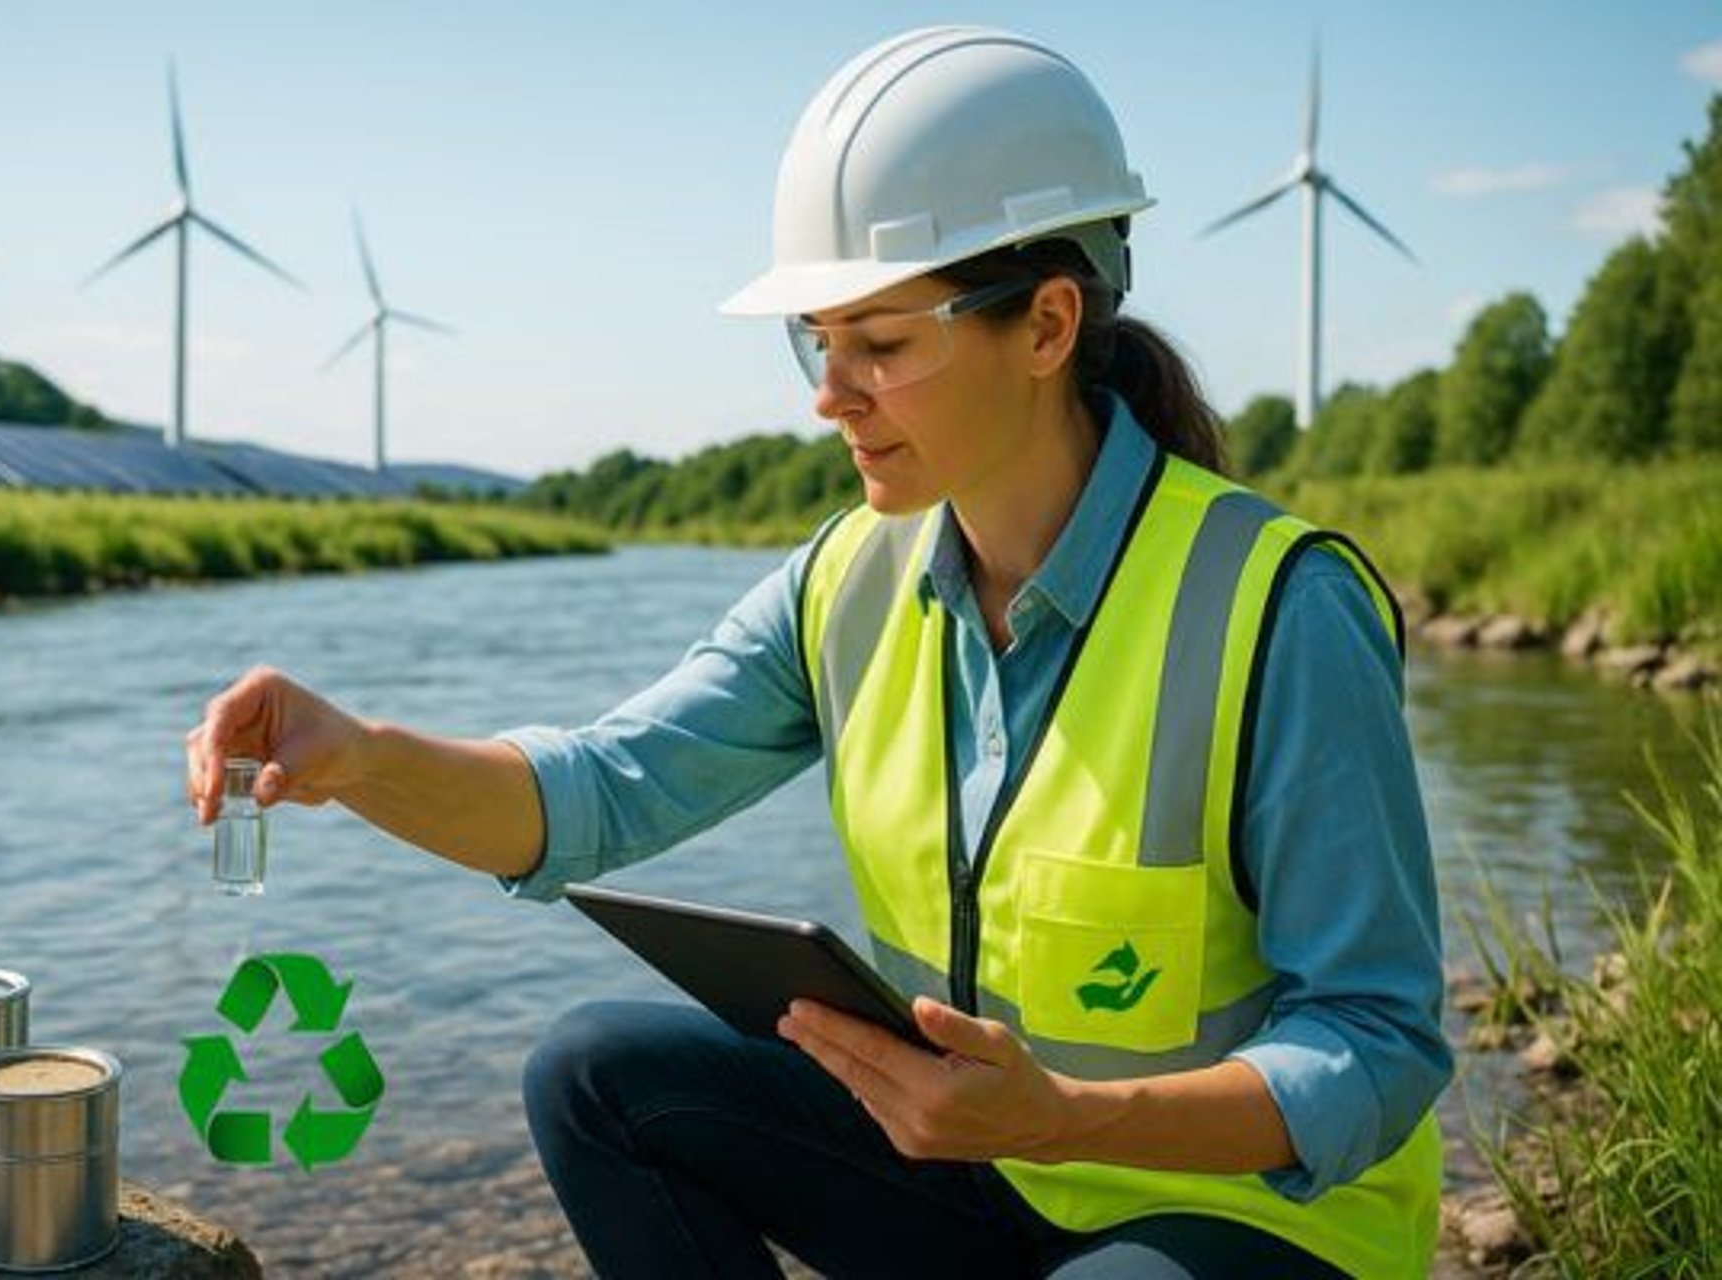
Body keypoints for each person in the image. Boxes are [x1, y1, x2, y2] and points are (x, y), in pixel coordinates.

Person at [185, 25, 1449, 1279]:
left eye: (882, 345)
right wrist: (357, 758)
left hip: (1244, 1219)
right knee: (595, 1076)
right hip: (980, 1172)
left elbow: (1378, 1040)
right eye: (817, 341)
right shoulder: (846, 579)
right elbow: (595, 791)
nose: (829, 394)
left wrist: (1062, 1111)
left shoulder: (1280, 604)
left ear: (1049, 324)